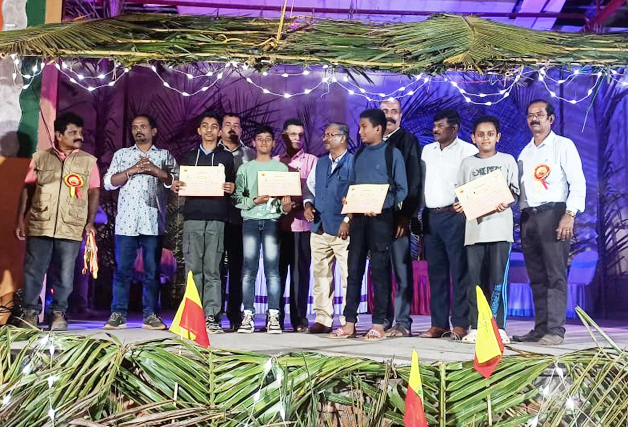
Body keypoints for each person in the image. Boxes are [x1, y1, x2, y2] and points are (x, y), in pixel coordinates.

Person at [15, 112, 100, 331]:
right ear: (59, 135)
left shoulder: (89, 162)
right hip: (40, 223)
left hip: (71, 225)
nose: (79, 136)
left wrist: (90, 222)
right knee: (34, 271)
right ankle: (30, 313)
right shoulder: (39, 158)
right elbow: (28, 189)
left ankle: (58, 313)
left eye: (80, 132)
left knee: (65, 273)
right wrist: (20, 219)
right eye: (73, 132)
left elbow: (94, 192)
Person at [328, 109, 408, 341]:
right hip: (359, 220)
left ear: (378, 128)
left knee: (380, 272)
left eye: (364, 127)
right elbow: (353, 185)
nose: (360, 131)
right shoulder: (360, 154)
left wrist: (383, 204)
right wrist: (348, 206)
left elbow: (402, 189)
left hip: (381, 220)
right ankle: (349, 323)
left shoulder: (392, 154)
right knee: (353, 271)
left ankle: (378, 324)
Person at [513, 100, 586, 346]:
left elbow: (578, 182)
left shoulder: (563, 145)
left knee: (555, 274)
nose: (534, 119)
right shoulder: (525, 152)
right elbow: (517, 189)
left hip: (554, 214)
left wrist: (570, 214)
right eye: (530, 115)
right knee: (536, 276)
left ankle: (555, 330)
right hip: (528, 217)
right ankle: (540, 328)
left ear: (550, 119)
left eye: (539, 114)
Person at [103, 114, 177, 330]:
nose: (138, 130)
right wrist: (132, 170)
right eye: (135, 127)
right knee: (123, 271)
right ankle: (118, 314)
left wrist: (155, 170)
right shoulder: (122, 155)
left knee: (152, 272)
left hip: (152, 222)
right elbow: (109, 182)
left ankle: (150, 315)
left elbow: (176, 181)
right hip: (126, 223)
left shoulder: (163, 155)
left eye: (143, 126)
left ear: (153, 131)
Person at [453, 115, 519, 345]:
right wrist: (460, 205)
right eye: (480, 134)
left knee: (498, 281)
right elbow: (461, 194)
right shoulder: (467, 164)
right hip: (474, 233)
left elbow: (514, 192)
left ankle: (498, 327)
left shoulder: (508, 160)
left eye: (490, 134)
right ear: (473, 138)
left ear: (498, 136)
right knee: (475, 283)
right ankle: (476, 326)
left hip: (500, 231)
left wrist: (505, 200)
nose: (485, 138)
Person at [172, 112, 236, 334]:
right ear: (199, 130)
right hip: (193, 218)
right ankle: (192, 317)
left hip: (217, 217)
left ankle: (211, 317)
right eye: (205, 126)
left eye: (214, 126)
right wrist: (177, 186)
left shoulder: (226, 157)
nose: (209, 130)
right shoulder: (189, 157)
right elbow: (181, 183)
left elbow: (232, 185)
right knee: (193, 270)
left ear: (220, 132)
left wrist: (231, 187)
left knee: (213, 270)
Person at [420, 109, 478, 340]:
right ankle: (438, 324)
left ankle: (461, 324)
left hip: (456, 217)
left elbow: (476, 183)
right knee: (436, 273)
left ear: (454, 128)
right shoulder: (427, 150)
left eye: (440, 126)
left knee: (459, 271)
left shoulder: (468, 151)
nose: (435, 129)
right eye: (434, 125)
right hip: (431, 217)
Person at [233, 125, 293, 334]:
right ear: (254, 143)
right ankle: (248, 314)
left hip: (272, 222)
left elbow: (284, 203)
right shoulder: (245, 169)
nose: (264, 142)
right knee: (248, 270)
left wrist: (285, 208)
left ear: (274, 143)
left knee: (272, 271)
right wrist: (254, 201)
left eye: (268, 139)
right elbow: (237, 198)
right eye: (260, 139)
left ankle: (273, 314)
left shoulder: (281, 169)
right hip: (250, 221)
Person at [303, 122, 354, 334]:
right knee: (321, 274)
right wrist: (308, 205)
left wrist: (347, 220)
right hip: (319, 227)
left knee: (348, 276)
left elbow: (357, 193)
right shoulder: (321, 162)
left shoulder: (353, 162)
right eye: (325, 134)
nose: (325, 138)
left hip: (343, 229)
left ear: (342, 138)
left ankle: (348, 320)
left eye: (330, 135)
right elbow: (310, 188)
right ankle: (323, 319)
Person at [379, 98, 422, 337]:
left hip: (398, 219)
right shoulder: (371, 143)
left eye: (394, 111)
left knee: (402, 271)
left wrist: (406, 216)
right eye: (385, 111)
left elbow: (414, 181)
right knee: (381, 270)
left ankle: (403, 322)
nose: (390, 115)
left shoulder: (408, 141)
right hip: (376, 218)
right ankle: (383, 320)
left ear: (401, 115)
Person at [275, 118, 318, 332]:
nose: (297, 138)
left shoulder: (312, 161)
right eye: (293, 134)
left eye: (301, 134)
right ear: (284, 136)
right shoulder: (275, 162)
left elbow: (315, 191)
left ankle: (299, 319)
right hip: (278, 227)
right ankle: (276, 318)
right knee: (277, 274)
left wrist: (298, 203)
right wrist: (281, 204)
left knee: (300, 275)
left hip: (302, 226)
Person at [218, 112, 256, 331]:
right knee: (215, 269)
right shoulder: (211, 152)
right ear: (220, 129)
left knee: (237, 268)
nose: (232, 128)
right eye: (227, 124)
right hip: (215, 217)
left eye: (236, 125)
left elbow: (257, 184)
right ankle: (213, 314)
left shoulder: (250, 154)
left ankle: (234, 314)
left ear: (241, 130)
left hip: (241, 218)